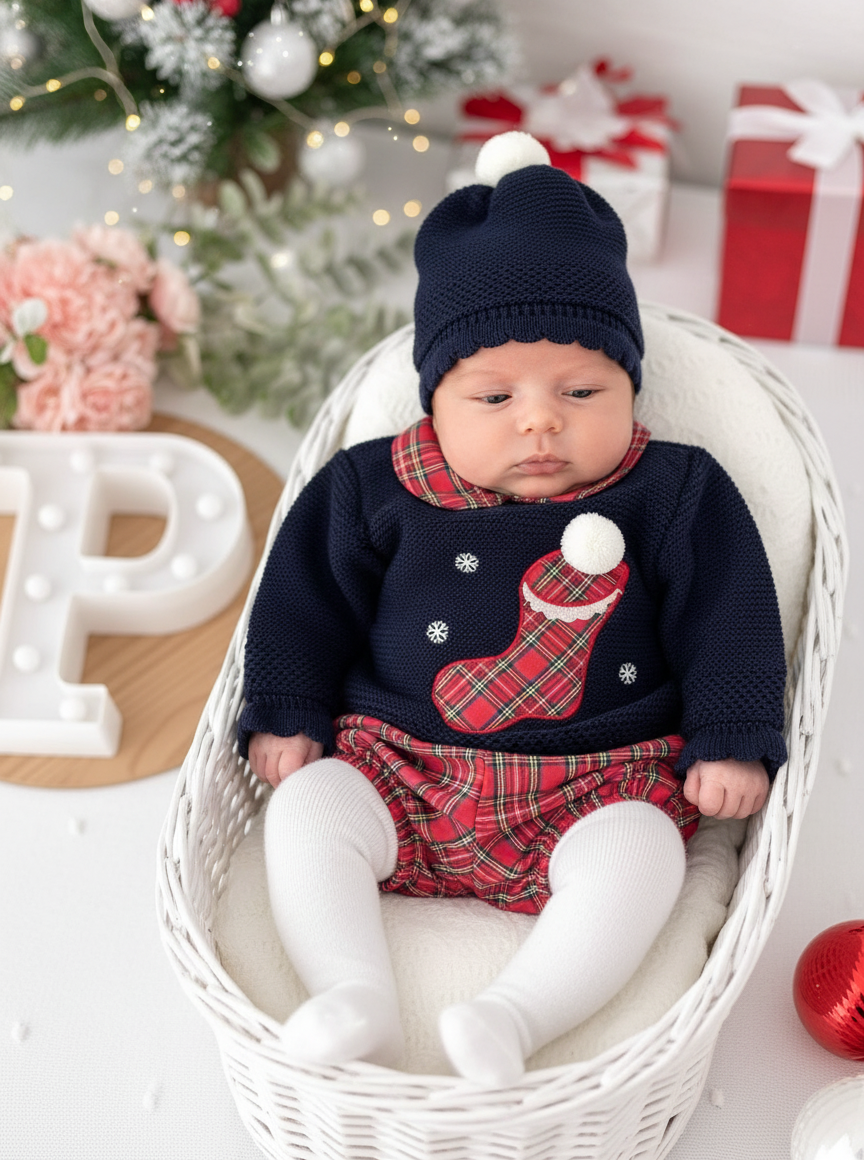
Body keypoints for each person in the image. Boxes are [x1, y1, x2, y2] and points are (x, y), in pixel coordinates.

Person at [238, 132, 787, 1087]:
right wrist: (286, 706)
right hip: (398, 769)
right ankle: (353, 991)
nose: (541, 420)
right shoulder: (376, 486)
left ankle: (511, 1017)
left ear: (630, 387)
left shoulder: (674, 492)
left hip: (595, 785)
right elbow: (300, 598)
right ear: (435, 402)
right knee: (309, 806)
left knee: (646, 855)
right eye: (494, 395)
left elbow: (729, 618)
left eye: (583, 390)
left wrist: (731, 734)